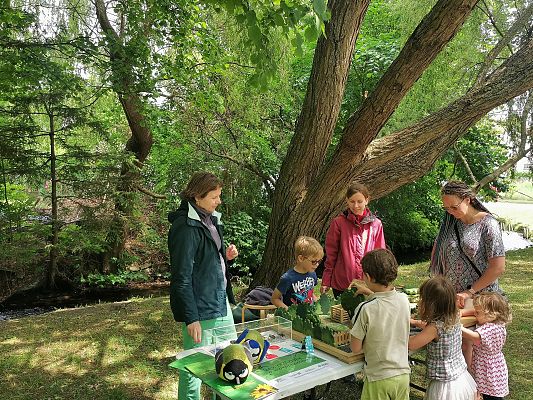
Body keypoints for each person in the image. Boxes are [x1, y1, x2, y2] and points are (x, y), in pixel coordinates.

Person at [168, 171, 239, 400]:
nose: (219, 201)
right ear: (197, 197)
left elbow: (206, 261)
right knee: (195, 367)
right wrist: (192, 317)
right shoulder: (185, 228)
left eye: (219, 196)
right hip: (200, 309)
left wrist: (225, 257)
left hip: (221, 302)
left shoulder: (211, 219)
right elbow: (182, 276)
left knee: (229, 357)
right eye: (214, 197)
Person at [430, 180, 506, 309]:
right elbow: (436, 254)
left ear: (467, 200)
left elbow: (498, 267)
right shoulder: (449, 224)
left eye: (454, 207)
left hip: (481, 301)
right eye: (446, 208)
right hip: (453, 298)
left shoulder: (488, 224)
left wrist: (469, 292)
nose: (450, 212)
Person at [350, 249, 411, 400]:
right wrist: (370, 292)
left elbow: (355, 348)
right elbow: (386, 303)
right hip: (403, 376)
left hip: (378, 378)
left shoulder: (365, 308)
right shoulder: (404, 300)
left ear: (369, 277)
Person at [409, 276, 477, 400]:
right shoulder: (453, 317)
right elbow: (434, 327)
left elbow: (412, 344)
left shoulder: (434, 329)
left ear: (430, 305)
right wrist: (414, 322)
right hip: (460, 379)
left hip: (444, 386)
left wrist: (395, 332)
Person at [321, 182, 386, 298]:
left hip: (368, 284)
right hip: (342, 283)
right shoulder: (338, 223)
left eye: (360, 201)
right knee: (342, 316)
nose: (356, 206)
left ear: (367, 200)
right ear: (347, 200)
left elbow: (380, 256)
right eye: (352, 201)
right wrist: (326, 280)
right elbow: (331, 255)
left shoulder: (376, 224)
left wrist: (382, 281)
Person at [462, 292, 511, 400]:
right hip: (486, 367)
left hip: (490, 371)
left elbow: (474, 336)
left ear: (491, 314)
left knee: (491, 396)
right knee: (485, 394)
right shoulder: (495, 323)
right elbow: (474, 311)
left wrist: (457, 327)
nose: (475, 314)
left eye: (478, 313)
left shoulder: (491, 328)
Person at [271, 236, 323, 310]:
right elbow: (274, 299)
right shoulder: (287, 278)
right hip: (293, 318)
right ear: (301, 258)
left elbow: (310, 293)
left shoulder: (312, 274)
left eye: (319, 261)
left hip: (309, 314)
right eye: (314, 261)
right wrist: (289, 311)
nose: (317, 264)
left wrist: (318, 303)